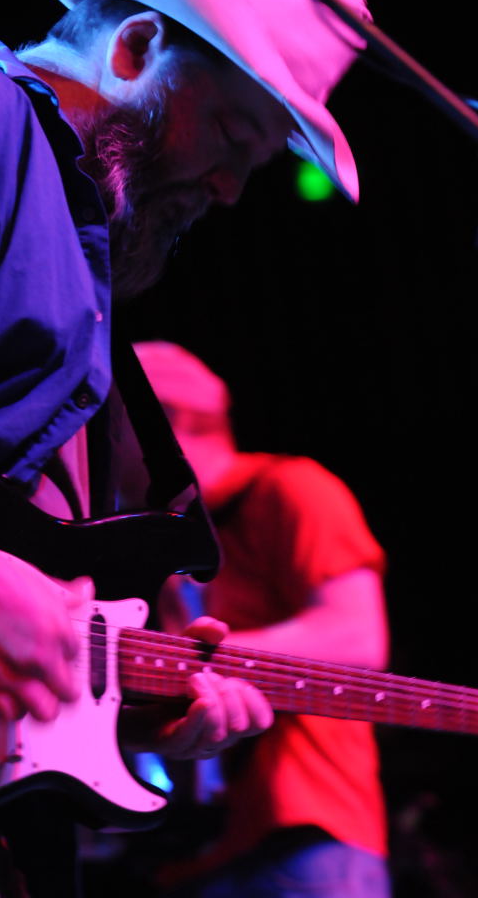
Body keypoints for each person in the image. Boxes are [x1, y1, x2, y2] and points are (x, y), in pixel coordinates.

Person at [0, 0, 371, 897]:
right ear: (137, 47)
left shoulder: (80, 250)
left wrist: (119, 690)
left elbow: (6, 543)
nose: (229, 189)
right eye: (231, 132)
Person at [132, 341, 390, 898]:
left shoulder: (293, 487)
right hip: (195, 850)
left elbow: (358, 638)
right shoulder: (161, 536)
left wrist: (178, 662)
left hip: (306, 828)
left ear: (164, 421)